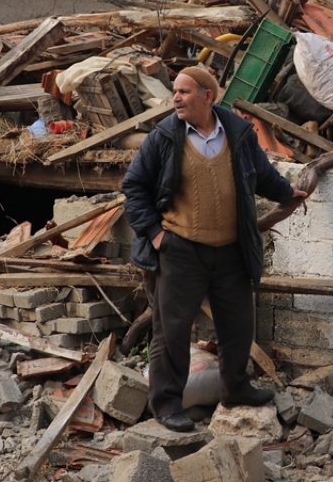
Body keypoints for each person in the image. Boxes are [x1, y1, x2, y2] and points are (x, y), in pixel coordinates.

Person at [123, 66, 307, 432]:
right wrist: (157, 236)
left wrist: (288, 193)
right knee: (171, 331)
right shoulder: (163, 136)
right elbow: (134, 187)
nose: (175, 97)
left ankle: (236, 390)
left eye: (184, 91)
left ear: (208, 96)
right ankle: (167, 404)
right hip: (181, 251)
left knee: (237, 326)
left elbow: (262, 174)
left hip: (231, 251)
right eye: (174, 91)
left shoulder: (238, 133)